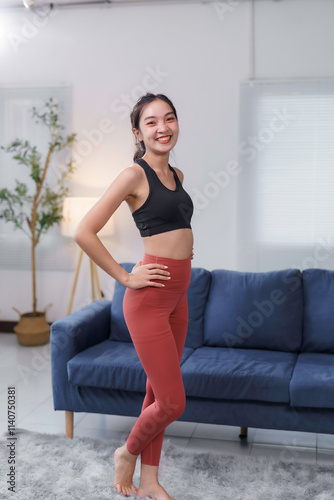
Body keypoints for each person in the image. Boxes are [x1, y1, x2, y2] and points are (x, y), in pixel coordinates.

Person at [74, 92, 194, 500]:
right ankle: (126, 453)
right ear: (138, 132)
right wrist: (125, 277)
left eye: (170, 119)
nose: (163, 128)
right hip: (148, 301)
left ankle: (149, 481)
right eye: (152, 122)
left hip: (179, 297)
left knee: (157, 395)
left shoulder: (177, 175)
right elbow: (84, 231)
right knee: (174, 403)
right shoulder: (133, 175)